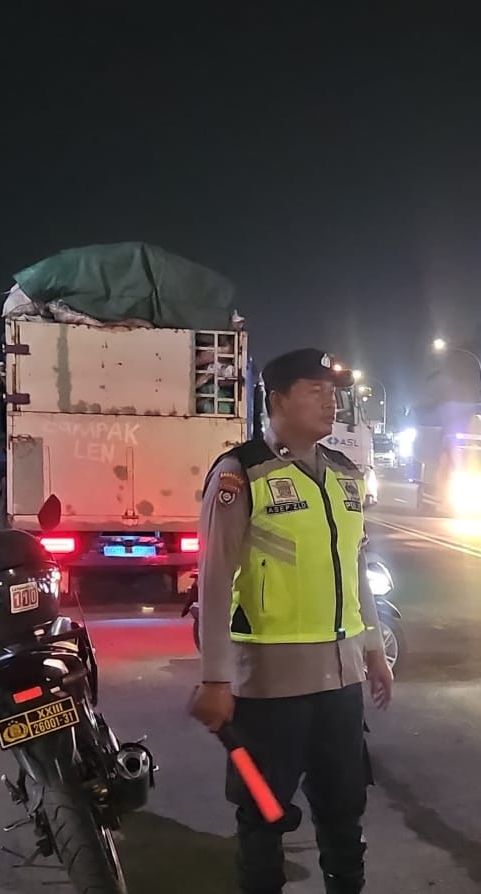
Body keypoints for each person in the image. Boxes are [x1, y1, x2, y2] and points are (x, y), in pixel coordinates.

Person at [190, 348, 394, 894]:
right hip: (268, 686)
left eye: (333, 392)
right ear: (276, 400)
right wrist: (215, 679)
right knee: (264, 813)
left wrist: (374, 651)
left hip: (341, 681)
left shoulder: (345, 474)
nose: (331, 402)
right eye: (315, 390)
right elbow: (214, 581)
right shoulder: (241, 473)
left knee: (344, 809)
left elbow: (354, 569)